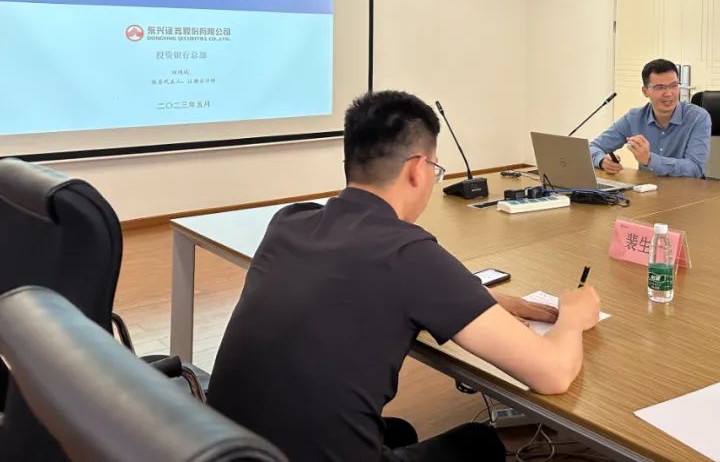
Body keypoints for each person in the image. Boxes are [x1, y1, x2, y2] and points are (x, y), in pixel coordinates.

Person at [208, 90, 602, 462]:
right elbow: (552, 374)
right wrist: (572, 316)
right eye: (436, 168)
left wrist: (482, 298)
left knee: (397, 432)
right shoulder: (407, 253)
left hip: (226, 449)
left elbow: (359, 283)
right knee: (478, 443)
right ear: (418, 168)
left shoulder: (290, 222)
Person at [588, 58, 711, 178]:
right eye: (660, 87)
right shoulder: (634, 118)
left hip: (687, 189)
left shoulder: (698, 117)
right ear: (645, 91)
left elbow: (695, 168)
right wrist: (602, 160)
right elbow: (591, 148)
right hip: (648, 188)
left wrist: (650, 159)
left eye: (673, 85)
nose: (668, 93)